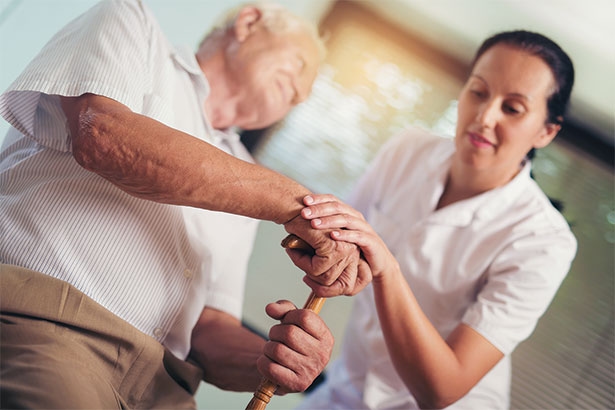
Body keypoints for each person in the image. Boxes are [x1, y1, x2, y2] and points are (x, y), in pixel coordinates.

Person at [0, 1, 367, 408]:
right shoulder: (132, 24)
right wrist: (298, 205)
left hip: (166, 388)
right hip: (51, 328)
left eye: (303, 97)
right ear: (248, 23)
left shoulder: (252, 179)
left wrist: (269, 360)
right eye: (299, 65)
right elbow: (102, 135)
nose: (299, 94)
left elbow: (208, 328)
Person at [296, 30, 577, 409]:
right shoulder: (407, 149)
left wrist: (386, 268)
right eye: (478, 92)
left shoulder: (545, 241)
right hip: (347, 390)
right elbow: (336, 246)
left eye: (512, 108)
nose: (484, 117)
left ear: (546, 131)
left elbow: (442, 390)